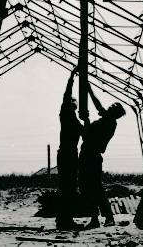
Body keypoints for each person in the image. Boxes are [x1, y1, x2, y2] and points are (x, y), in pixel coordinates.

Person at [79, 86, 126, 229]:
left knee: (96, 188)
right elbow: (86, 135)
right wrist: (86, 122)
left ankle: (109, 217)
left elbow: (98, 105)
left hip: (92, 156)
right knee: (87, 188)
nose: (109, 107)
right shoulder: (105, 121)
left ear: (115, 113)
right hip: (86, 155)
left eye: (112, 107)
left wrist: (89, 90)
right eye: (111, 106)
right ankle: (94, 218)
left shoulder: (110, 122)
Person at [56, 68, 84, 230]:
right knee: (67, 187)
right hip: (66, 153)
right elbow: (66, 95)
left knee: (70, 187)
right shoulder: (65, 114)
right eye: (72, 100)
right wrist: (72, 77)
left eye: (75, 100)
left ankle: (65, 219)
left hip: (72, 154)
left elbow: (85, 133)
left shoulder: (75, 120)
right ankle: (64, 220)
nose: (73, 101)